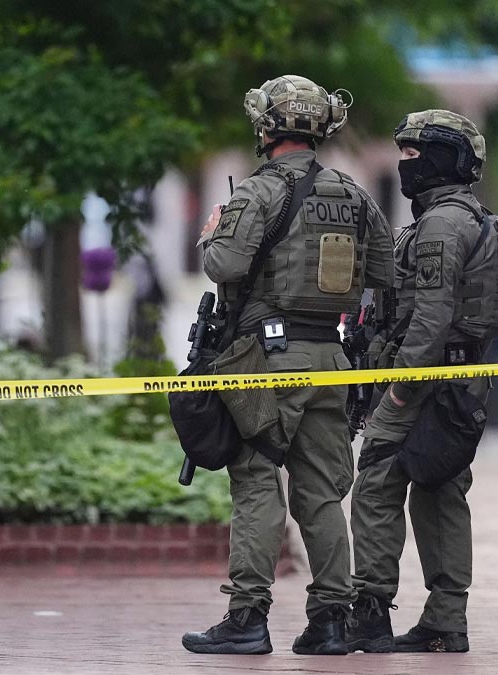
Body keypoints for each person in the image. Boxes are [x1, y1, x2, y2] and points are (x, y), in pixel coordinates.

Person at [182, 75, 396, 655]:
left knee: (256, 481)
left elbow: (224, 265)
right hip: (332, 359)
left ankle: (247, 617)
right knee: (321, 494)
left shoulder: (258, 192)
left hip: (267, 362)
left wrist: (210, 235)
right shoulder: (354, 195)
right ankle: (330, 621)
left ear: (267, 127)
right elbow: (383, 274)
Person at [345, 110, 498, 653]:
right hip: (459, 380)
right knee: (440, 491)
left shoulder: (441, 225)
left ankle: (370, 611)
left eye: (414, 154)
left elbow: (432, 317)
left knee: (376, 482)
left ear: (445, 159)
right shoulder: (472, 220)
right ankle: (445, 620)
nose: (404, 164)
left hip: (423, 380)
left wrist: (398, 388)